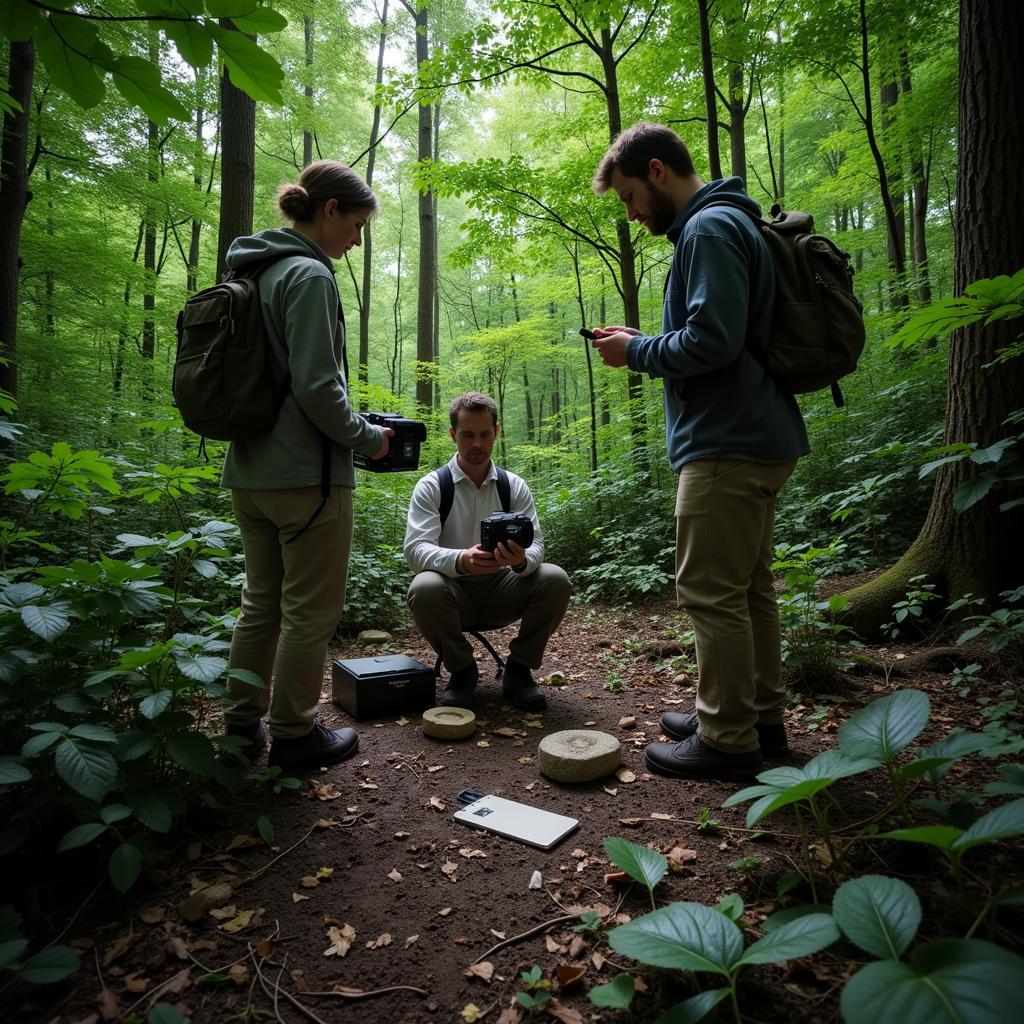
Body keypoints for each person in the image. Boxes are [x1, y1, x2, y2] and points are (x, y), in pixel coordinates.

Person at [590, 122, 809, 780]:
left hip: (727, 441)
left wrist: (636, 351)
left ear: (657, 171)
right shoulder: (726, 224)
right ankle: (757, 717)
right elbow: (720, 333)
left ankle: (726, 737)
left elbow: (713, 341)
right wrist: (648, 338)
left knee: (710, 591)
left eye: (629, 196)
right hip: (757, 434)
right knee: (748, 590)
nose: (631, 214)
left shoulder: (709, 229)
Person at [221, 160, 392, 771]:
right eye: (357, 225)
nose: (357, 239)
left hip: (249, 472)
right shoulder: (309, 277)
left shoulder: (255, 270)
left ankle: (242, 728)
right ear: (329, 211)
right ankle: (294, 734)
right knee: (309, 611)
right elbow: (320, 390)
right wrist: (367, 439)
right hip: (308, 479)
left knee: (260, 603)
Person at [404, 392, 571, 711]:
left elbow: (536, 545)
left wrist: (521, 561)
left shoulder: (514, 486)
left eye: (484, 434)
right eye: (467, 435)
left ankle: (519, 671)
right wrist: (460, 560)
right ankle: (462, 670)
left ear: (497, 432)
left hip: (504, 588)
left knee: (555, 579)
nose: (476, 444)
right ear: (453, 434)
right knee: (424, 587)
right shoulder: (433, 486)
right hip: (451, 593)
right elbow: (415, 550)